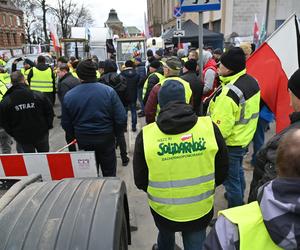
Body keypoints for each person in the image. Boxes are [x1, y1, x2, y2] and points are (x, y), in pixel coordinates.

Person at [133, 79, 228, 250]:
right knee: (196, 244)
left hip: (163, 210)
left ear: (160, 103)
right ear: (185, 99)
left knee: (165, 236)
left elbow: (140, 179)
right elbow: (222, 169)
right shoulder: (208, 127)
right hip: (199, 208)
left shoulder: (147, 135)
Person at [204, 128, 300, 250]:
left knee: (234, 180)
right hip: (242, 139)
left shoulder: (232, 225)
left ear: (278, 167)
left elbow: (224, 128)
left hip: (233, 142)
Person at [208, 47, 260, 208]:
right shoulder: (252, 81)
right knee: (237, 172)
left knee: (231, 182)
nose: (218, 67)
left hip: (231, 143)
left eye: (221, 65)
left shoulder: (229, 93)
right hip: (244, 139)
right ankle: (238, 195)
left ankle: (234, 213)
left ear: (229, 68)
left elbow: (221, 130)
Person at [62, 59, 127, 176]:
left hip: (84, 140)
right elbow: (121, 118)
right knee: (109, 175)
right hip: (106, 138)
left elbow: (66, 123)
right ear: (95, 72)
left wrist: (74, 136)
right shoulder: (109, 92)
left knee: (89, 176)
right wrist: (116, 134)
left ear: (78, 74)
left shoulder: (69, 96)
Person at [248, 68, 300, 202]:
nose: (289, 102)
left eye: (291, 95)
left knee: (259, 138)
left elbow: (269, 193)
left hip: (273, 218)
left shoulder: (288, 142)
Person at [0, 71, 54, 153]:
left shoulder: (6, 101)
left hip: (22, 137)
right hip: (41, 133)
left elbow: (4, 122)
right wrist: (47, 126)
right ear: (24, 79)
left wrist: (14, 134)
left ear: (11, 83)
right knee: (44, 157)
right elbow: (49, 112)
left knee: (28, 161)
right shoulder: (38, 95)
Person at [145, 56, 192, 124]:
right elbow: (191, 105)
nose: (163, 69)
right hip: (184, 123)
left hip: (163, 124)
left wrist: (152, 125)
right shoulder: (187, 85)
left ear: (167, 70)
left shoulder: (159, 86)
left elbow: (149, 111)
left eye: (164, 67)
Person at [100, 59, 129, 166]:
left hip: (106, 111)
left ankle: (111, 158)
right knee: (120, 135)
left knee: (108, 134)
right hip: (120, 109)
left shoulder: (101, 80)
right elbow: (126, 95)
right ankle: (124, 157)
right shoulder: (122, 78)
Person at [120, 60, 140, 132]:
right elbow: (138, 83)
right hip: (133, 94)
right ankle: (134, 126)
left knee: (124, 112)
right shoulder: (136, 74)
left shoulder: (122, 74)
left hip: (124, 95)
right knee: (133, 111)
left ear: (125, 65)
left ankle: (124, 127)